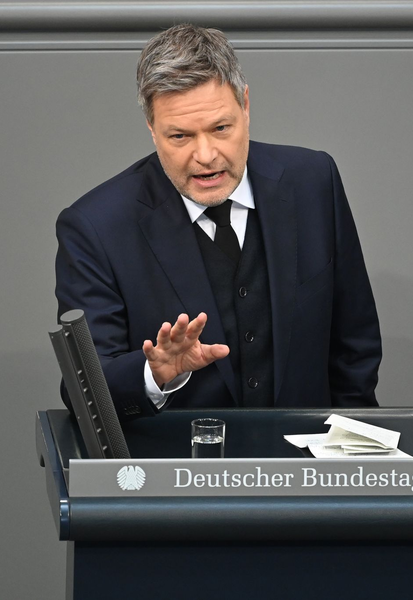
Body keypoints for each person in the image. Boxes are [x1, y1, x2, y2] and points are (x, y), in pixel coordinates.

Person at [55, 24, 381, 421]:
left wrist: (352, 460)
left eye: (220, 128)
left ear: (245, 105)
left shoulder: (313, 181)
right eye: (179, 136)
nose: (205, 155)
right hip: (175, 476)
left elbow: (354, 345)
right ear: (151, 129)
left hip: (307, 470)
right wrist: (154, 375)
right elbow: (84, 387)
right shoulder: (96, 227)